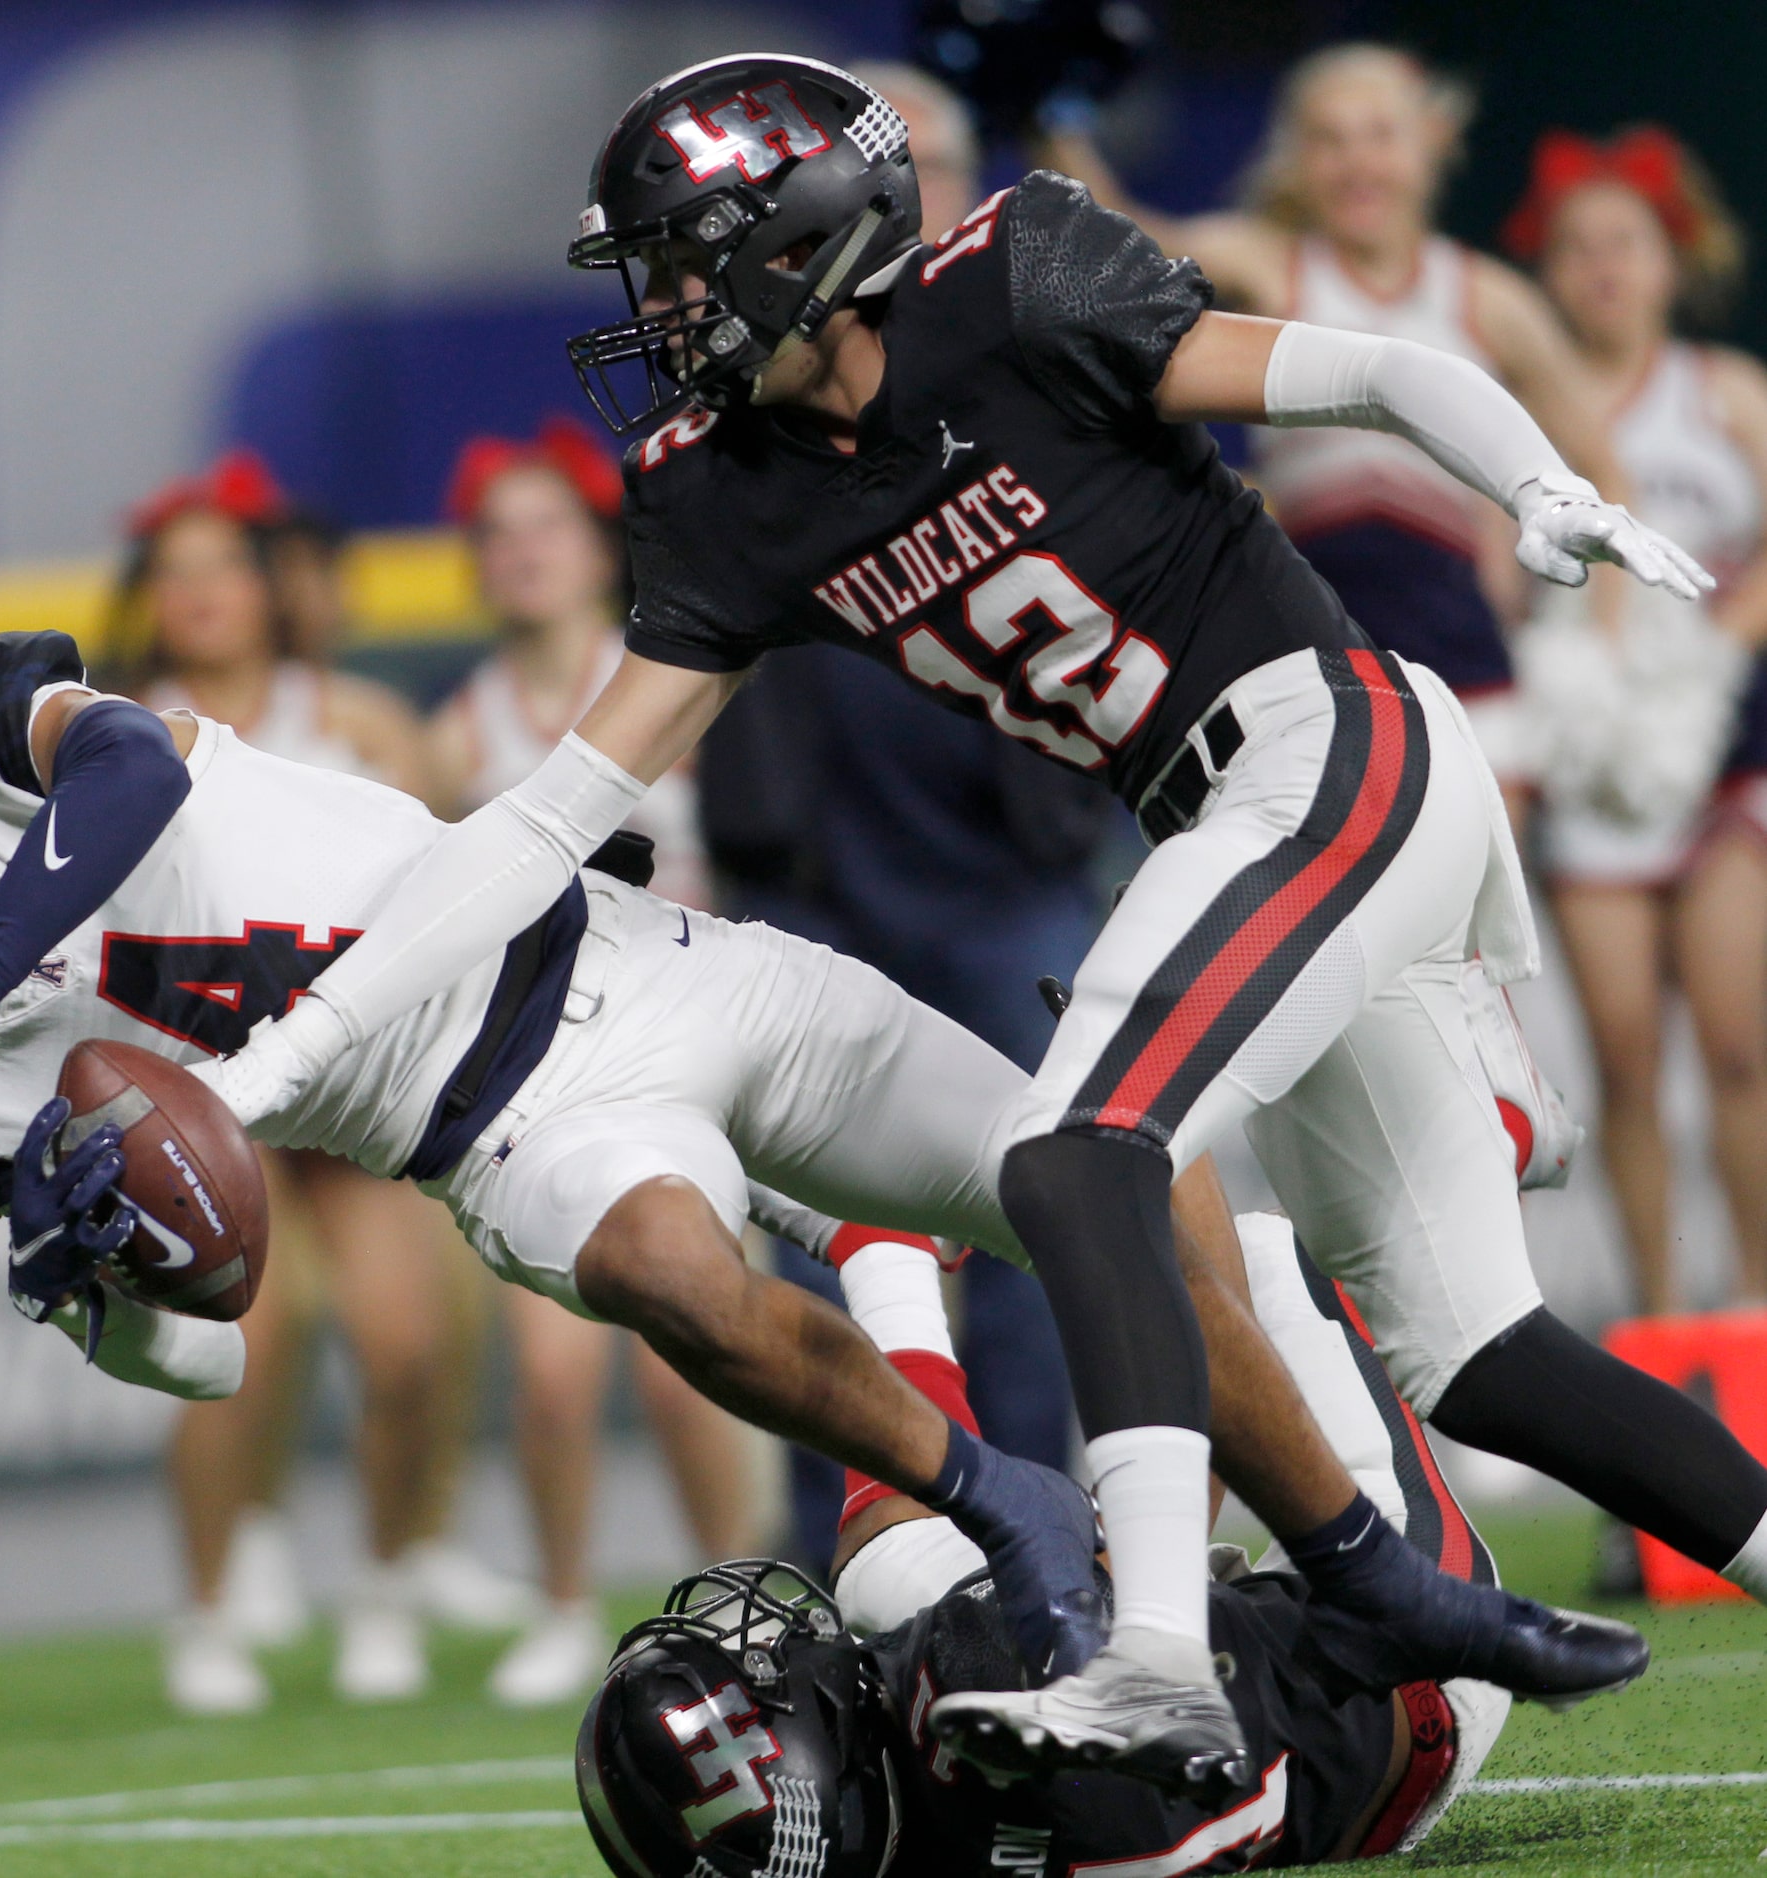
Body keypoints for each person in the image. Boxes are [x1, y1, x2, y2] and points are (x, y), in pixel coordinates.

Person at [192, 54, 1761, 1789]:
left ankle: (1156, 1653)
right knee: (1471, 1351)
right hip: (1219, 817)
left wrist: (1536, 484)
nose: (661, 307)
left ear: (798, 241)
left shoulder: (1012, 282)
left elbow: (1368, 370)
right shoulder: (732, 490)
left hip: (1331, 740)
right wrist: (303, 1045)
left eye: (682, 260)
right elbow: (548, 820)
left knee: (1076, 1146)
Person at [0, 634, 1646, 1799]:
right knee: (679, 1276)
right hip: (494, 1131)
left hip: (634, 956)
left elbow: (129, 772)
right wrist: (85, 1273)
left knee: (1081, 1178)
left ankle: (1359, 1556)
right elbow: (202, 1339)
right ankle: (1002, 1494)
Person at [577, 1210, 1512, 1878]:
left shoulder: (857, 1835)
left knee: (889, 1574)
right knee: (1247, 1262)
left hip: (1165, 1758)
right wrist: (1139, 1145)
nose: (766, 1649)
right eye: (758, 1683)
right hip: (1410, 1676)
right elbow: (1175, 1484)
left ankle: (883, 1250)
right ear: (803, 1757)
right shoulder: (994, 1670)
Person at [692, 62, 1092, 1554]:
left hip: (1004, 862)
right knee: (820, 1243)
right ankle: (853, 1541)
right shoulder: (738, 371)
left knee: (1052, 1212)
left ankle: (1048, 1521)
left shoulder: (1022, 348)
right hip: (806, 877)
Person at [107, 452, 529, 1709]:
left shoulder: (360, 722)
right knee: (240, 1335)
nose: (201, 595)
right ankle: (206, 1608)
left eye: (223, 567)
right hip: (199, 1085)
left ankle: (388, 1587)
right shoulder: (111, 730)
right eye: (174, 574)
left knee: (404, 1342)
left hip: (350, 1080)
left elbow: (458, 879)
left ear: (270, 584)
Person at [1043, 42, 1626, 806]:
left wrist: (1591, 646)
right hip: (1315, 633)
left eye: (1379, 136)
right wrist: (1052, 115)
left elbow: (1601, 467)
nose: (1357, 164)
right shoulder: (1269, 265)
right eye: (1328, 140)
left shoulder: (1486, 299)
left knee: (1483, 902)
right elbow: (1109, 236)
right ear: (1296, 161)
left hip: (1463, 645)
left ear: (1430, 146)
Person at [425, 416, 749, 1706]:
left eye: (545, 524)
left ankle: (732, 1596)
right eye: (496, 535)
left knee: (701, 1367)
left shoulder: (674, 671)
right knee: (554, 1373)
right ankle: (566, 1601)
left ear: (596, 543)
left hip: (701, 1040)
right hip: (545, 1068)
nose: (523, 554)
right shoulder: (456, 732)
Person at [1505, 129, 1767, 1314]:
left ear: (1671, 260)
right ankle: (1663, 1331)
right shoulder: (1525, 412)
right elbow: (1492, 571)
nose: (1603, 269)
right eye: (1577, 250)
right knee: (1621, 1053)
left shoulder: (1723, 392)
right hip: (1591, 762)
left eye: (1627, 245)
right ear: (1544, 272)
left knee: (1738, 1052)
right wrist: (1576, 671)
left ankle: (1756, 1320)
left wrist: (1713, 648)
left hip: (1718, 759)